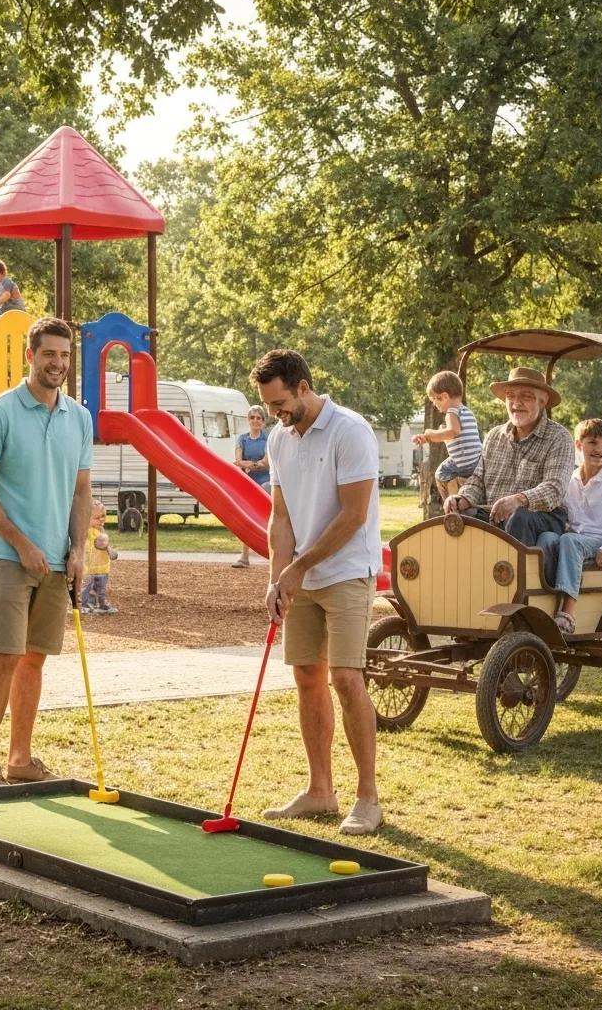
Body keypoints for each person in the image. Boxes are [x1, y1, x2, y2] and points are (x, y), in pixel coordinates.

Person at [250, 349, 384, 837]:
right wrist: (277, 576)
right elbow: (280, 516)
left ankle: (367, 798)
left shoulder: (351, 431)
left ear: (304, 387)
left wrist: (298, 567)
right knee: (308, 675)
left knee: (346, 678)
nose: (276, 414)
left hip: (347, 570)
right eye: (269, 406)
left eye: (281, 402)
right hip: (302, 574)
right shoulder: (281, 439)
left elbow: (352, 515)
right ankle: (320, 790)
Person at [0, 316, 92, 788]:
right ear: (30, 356)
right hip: (6, 556)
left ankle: (20, 759)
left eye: (64, 355)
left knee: (34, 658)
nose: (57, 363)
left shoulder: (79, 417)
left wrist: (77, 550)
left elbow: (82, 493)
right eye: (49, 354)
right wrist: (21, 543)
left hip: (58, 561)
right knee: (4, 656)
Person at [443, 367, 573, 546]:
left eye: (525, 396)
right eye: (510, 396)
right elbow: (478, 480)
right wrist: (462, 498)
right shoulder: (494, 435)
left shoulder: (559, 437)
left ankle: (516, 573)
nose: (516, 403)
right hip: (494, 515)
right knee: (459, 518)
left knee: (519, 518)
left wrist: (519, 500)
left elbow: (554, 488)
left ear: (543, 401)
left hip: (542, 518)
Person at [536, 419, 602, 634]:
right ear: (579, 445)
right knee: (546, 538)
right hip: (571, 539)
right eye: (593, 443)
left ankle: (568, 610)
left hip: (599, 539)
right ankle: (546, 599)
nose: (599, 450)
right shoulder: (568, 480)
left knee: (569, 541)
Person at [411, 370, 482, 499]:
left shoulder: (451, 412)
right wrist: (427, 438)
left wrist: (431, 434)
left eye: (434, 399)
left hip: (463, 462)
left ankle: (450, 504)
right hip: (477, 460)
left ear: (444, 396)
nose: (434, 404)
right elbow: (455, 436)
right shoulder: (467, 412)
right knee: (448, 471)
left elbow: (452, 432)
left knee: (441, 474)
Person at [231, 404, 270, 568]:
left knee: (266, 516)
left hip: (264, 481)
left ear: (263, 421)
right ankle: (244, 556)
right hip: (247, 482)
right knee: (245, 518)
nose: (256, 421)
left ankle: (271, 552)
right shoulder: (242, 439)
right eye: (253, 417)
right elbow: (238, 461)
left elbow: (267, 464)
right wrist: (255, 464)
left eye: (259, 418)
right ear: (248, 420)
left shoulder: (267, 440)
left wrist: (249, 464)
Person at [81, 500, 119, 614]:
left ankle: (100, 603)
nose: (101, 519)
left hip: (102, 568)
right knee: (87, 588)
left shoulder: (100, 530)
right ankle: (85, 604)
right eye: (97, 518)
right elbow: (100, 544)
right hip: (90, 568)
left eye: (103, 516)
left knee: (100, 588)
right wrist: (108, 549)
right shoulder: (88, 532)